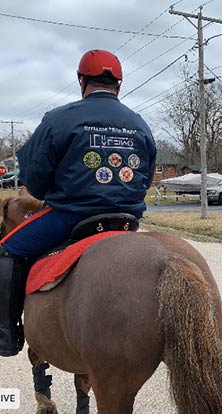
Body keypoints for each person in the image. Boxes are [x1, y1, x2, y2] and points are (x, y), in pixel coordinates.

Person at [0, 49, 157, 356]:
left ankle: (6, 334)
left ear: (81, 80)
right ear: (119, 85)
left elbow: (37, 181)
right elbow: (146, 178)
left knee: (7, 249)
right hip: (127, 218)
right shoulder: (140, 123)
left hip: (71, 216)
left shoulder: (58, 119)